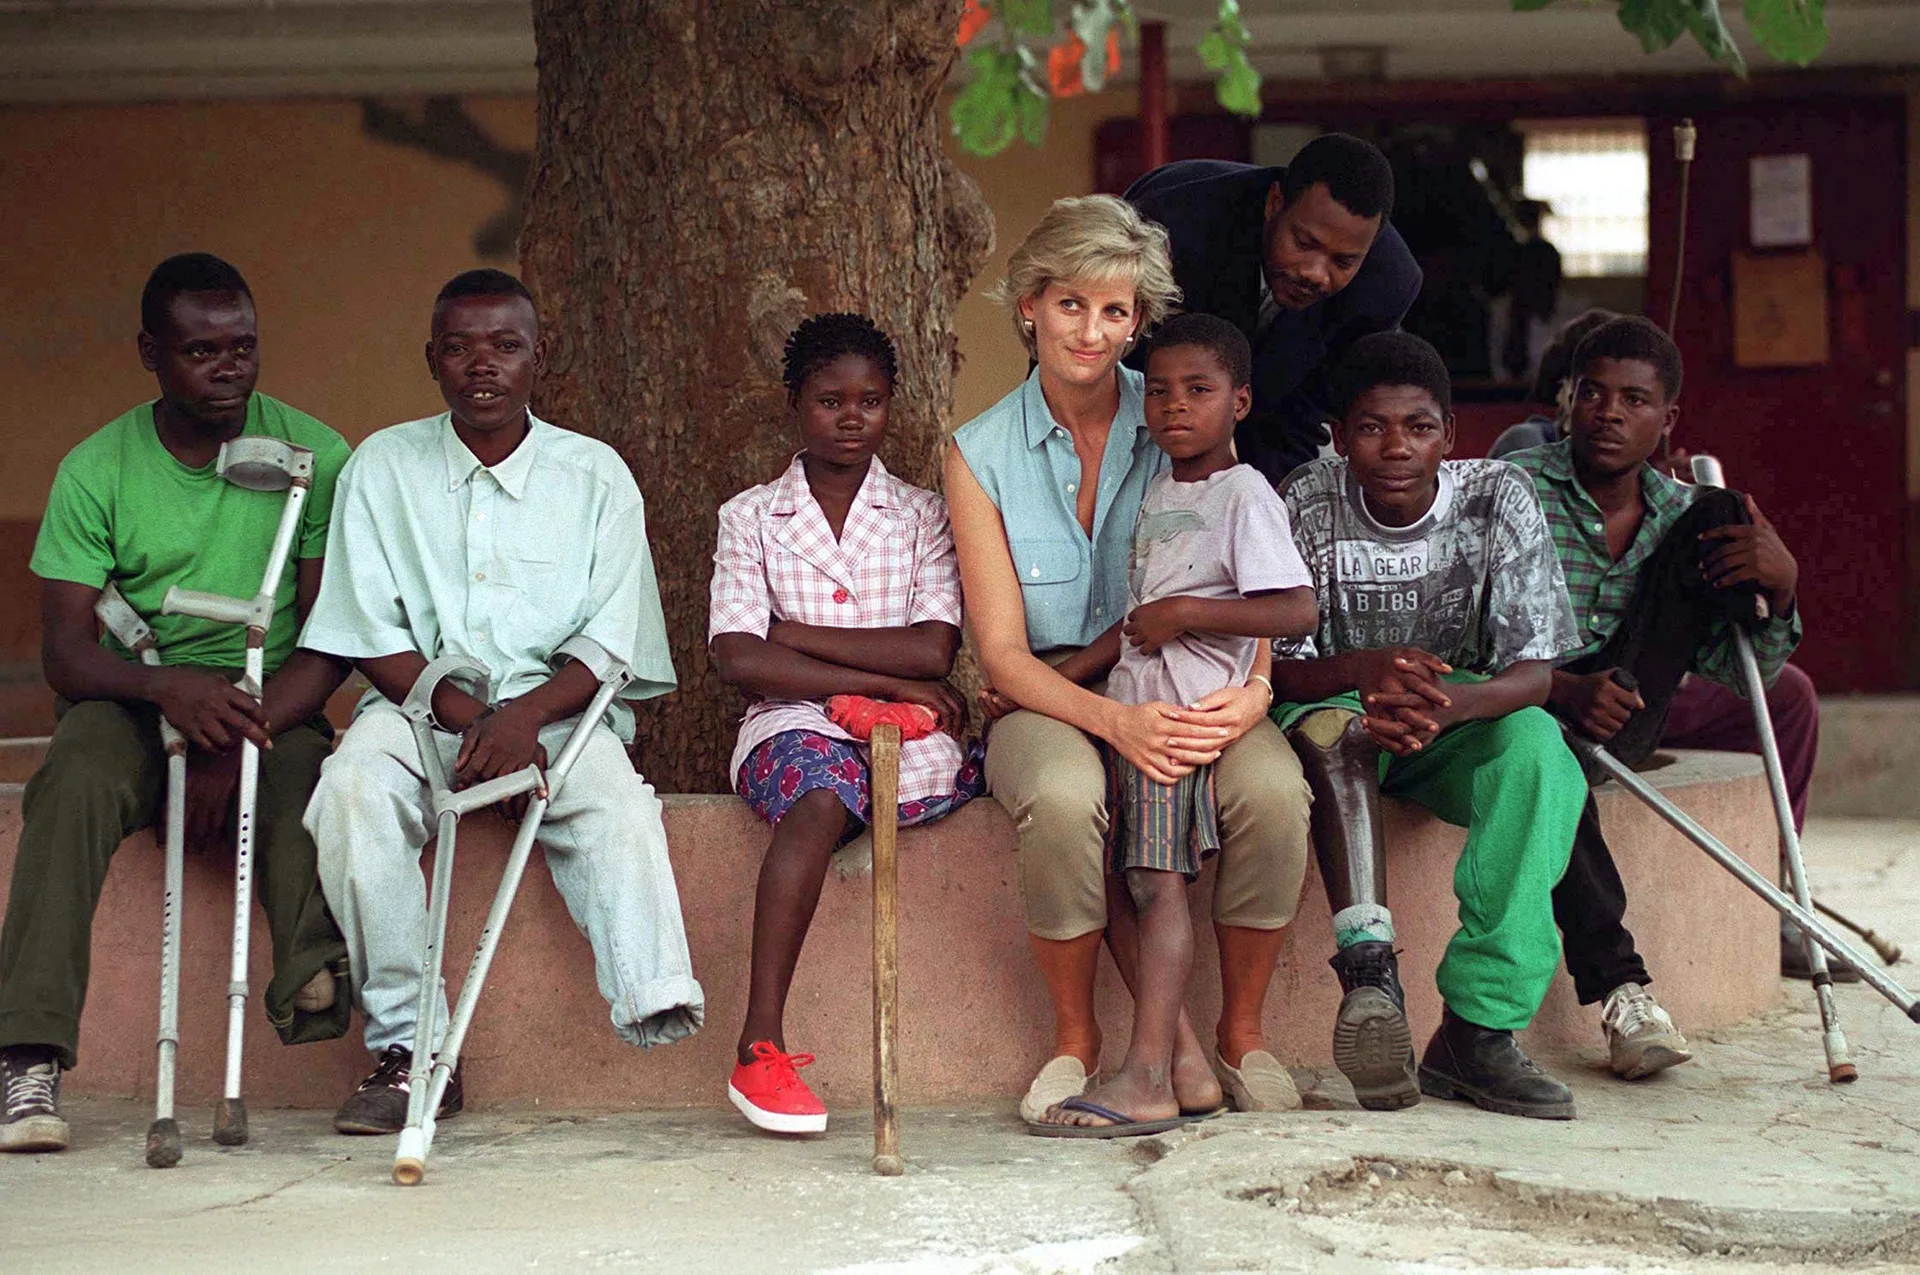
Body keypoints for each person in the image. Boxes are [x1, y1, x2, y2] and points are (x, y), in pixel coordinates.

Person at [301, 268, 702, 1135]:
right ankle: (414, 1052)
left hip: (560, 712)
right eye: (460, 347)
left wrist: (523, 719)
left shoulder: (594, 475)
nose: (483, 365)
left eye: (505, 346)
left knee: (614, 803)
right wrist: (461, 714)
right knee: (351, 790)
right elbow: (367, 630)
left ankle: (653, 994)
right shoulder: (381, 466)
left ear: (537, 357)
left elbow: (613, 633)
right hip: (419, 710)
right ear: (432, 360)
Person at [946, 195, 1314, 1128]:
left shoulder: (1181, 402)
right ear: (1028, 305)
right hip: (1055, 692)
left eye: (1116, 312)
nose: (1093, 331)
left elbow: (1250, 546)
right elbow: (1001, 654)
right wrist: (1115, 722)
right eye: (1071, 305)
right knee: (1068, 801)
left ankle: (1239, 1035)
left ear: (1139, 319)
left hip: (1199, 689)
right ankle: (1081, 1040)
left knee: (1272, 791)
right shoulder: (977, 453)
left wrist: (1258, 690)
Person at [2, 253, 352, 1153]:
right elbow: (67, 652)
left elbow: (330, 634)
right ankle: (28, 1053)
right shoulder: (97, 468)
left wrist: (232, 733)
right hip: (132, 692)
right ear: (151, 354)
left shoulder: (318, 455)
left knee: (315, 774)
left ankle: (309, 980)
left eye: (243, 347)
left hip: (268, 699)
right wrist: (167, 691)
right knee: (69, 777)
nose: (228, 367)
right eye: (201, 351)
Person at [1272, 331, 1586, 1121]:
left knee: (1542, 753)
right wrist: (1362, 673)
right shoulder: (1305, 500)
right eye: (1372, 428)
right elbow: (1274, 665)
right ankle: (1371, 974)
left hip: (1456, 712)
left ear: (1450, 433)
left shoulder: (1498, 496)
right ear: (1340, 438)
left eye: (1417, 427)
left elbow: (1534, 672)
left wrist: (1445, 706)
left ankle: (1478, 1032)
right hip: (1339, 714)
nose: (1396, 447)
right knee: (1325, 732)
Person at [1029, 315, 1317, 1137]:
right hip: (1138, 707)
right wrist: (1049, 684)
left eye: (1199, 391)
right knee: (1128, 879)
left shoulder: (1244, 493)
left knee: (1157, 885)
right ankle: (1183, 1068)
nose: (1174, 407)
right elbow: (1133, 624)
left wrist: (1188, 612)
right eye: (1158, 391)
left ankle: (1148, 1073)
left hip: (1178, 725)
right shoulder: (1164, 489)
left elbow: (1296, 605)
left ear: (1242, 401)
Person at [1506, 316, 1815, 1082]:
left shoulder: (1681, 514)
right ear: (1568, 400)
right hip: (1530, 696)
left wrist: (1782, 589)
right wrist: (1561, 688)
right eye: (1594, 394)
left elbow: (1737, 665)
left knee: (1720, 513)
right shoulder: (1511, 487)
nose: (1611, 413)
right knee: (1553, 759)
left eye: (1635, 400)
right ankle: (1624, 993)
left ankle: (1783, 907)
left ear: (1667, 416)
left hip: (1630, 701)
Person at [708, 313, 983, 1135]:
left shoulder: (923, 513)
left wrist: (793, 636)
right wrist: (869, 674)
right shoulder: (751, 516)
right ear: (796, 403)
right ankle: (760, 1042)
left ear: (892, 404)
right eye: (830, 400)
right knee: (821, 794)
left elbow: (934, 647)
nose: (851, 417)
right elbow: (737, 657)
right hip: (789, 724)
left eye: (870, 400)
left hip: (909, 730)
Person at [1125, 132, 1422, 486]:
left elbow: (1302, 415)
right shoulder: (1173, 227)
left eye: (1343, 261)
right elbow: (1120, 361)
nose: (1315, 273)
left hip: (1272, 419)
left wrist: (1267, 509)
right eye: (1304, 243)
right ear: (1274, 203)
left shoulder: (1386, 284)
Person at [1487, 308, 1617, 460]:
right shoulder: (1527, 442)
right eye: (1591, 393)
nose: (1611, 412)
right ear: (1563, 390)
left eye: (1631, 399)